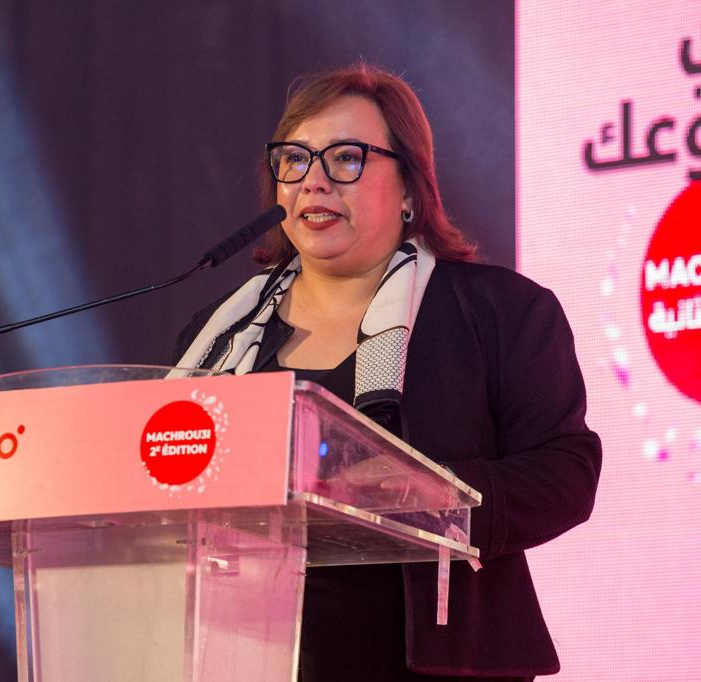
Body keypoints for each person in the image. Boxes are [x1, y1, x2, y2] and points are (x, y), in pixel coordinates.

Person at [173, 63, 602, 680]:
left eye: (346, 159)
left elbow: (565, 475)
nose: (313, 181)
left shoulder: (499, 312)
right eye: (294, 160)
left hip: (437, 667)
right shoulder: (216, 338)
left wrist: (425, 495)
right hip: (241, 654)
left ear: (409, 190)